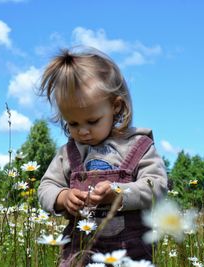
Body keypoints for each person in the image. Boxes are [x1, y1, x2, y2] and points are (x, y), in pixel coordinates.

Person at [37, 46, 168, 266]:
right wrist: (62, 197)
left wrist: (119, 193)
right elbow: (46, 186)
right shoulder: (68, 154)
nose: (83, 131)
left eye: (92, 121)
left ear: (115, 107)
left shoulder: (137, 146)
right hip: (80, 248)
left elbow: (156, 186)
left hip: (132, 250)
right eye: (73, 124)